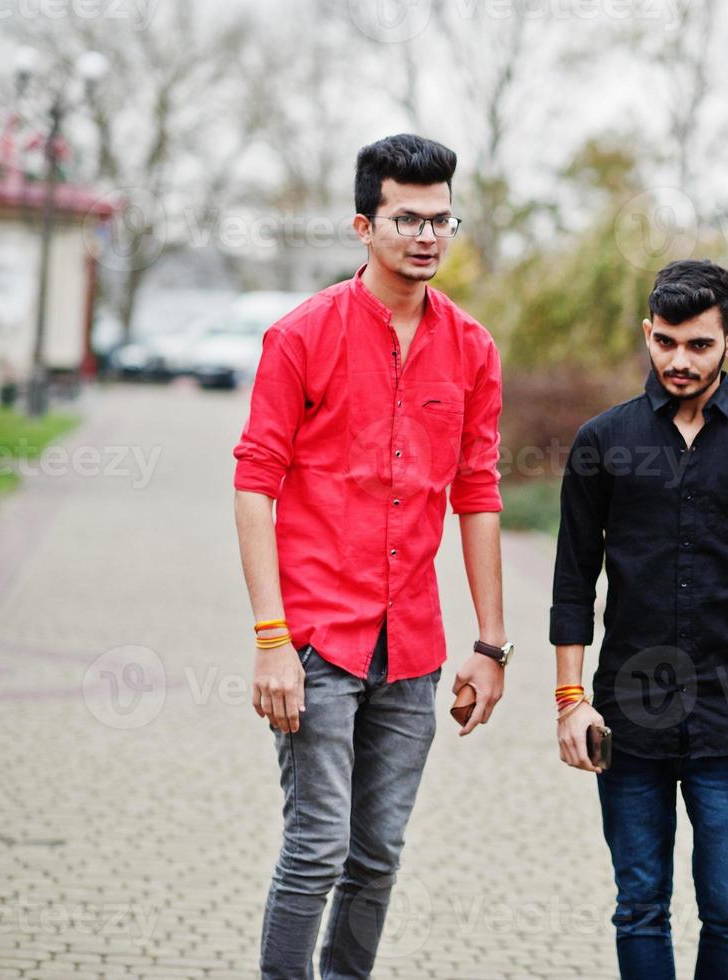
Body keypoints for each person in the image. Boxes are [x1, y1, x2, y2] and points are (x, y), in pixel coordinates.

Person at [233, 133, 511, 979]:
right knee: (317, 848)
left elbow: (478, 494)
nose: (427, 236)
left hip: (411, 647)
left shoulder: (471, 349)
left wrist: (491, 646)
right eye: (407, 219)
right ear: (363, 224)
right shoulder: (300, 336)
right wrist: (271, 638)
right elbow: (254, 484)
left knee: (378, 854)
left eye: (441, 219)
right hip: (317, 637)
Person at [549, 259, 728, 979]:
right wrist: (569, 700)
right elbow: (573, 577)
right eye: (666, 342)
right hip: (627, 715)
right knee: (638, 904)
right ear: (648, 334)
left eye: (698, 345)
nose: (679, 360)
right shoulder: (601, 441)